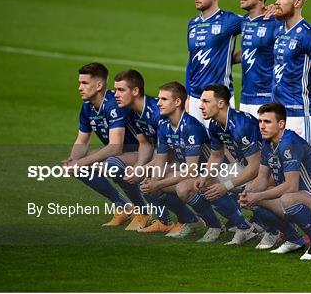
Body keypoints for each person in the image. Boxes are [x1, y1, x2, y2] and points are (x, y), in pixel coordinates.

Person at [240, 102, 311, 260]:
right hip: (301, 199)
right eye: (260, 121)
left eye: (267, 122)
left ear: (281, 124)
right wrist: (247, 193)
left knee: (286, 198)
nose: (262, 126)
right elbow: (262, 179)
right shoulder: (268, 143)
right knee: (252, 195)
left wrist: (258, 196)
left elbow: (291, 186)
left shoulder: (290, 143)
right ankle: (293, 239)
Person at [111, 70, 201, 235]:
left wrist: (144, 170)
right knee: (118, 166)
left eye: (120, 90)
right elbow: (144, 144)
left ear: (136, 91)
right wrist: (139, 167)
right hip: (161, 154)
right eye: (115, 90)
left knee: (149, 178)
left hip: (179, 157)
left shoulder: (157, 113)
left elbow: (169, 153)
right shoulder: (131, 111)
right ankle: (151, 215)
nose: (115, 94)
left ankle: (185, 218)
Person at [138, 82, 224, 242]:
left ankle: (215, 226)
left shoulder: (191, 126)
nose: (158, 103)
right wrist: (154, 182)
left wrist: (158, 184)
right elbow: (161, 162)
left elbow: (192, 171)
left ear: (177, 102)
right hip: (193, 174)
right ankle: (191, 221)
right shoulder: (164, 126)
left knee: (182, 188)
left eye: (163, 99)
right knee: (150, 184)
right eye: (158, 99)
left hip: (213, 174)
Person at [62, 62, 144, 228]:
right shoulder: (87, 107)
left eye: (84, 83)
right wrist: (72, 162)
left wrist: (82, 162)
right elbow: (82, 141)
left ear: (99, 85)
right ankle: (124, 206)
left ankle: (142, 212)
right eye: (79, 83)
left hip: (143, 151)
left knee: (112, 164)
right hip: (124, 151)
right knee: (80, 163)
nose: (79, 87)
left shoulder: (114, 104)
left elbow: (115, 147)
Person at [195, 84, 267, 246]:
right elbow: (216, 156)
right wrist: (205, 176)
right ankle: (244, 228)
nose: (201, 106)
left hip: (268, 171)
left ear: (220, 104)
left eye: (206, 101)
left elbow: (256, 166)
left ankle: (275, 229)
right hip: (247, 166)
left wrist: (226, 186)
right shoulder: (214, 124)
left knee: (250, 192)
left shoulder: (241, 125)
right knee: (206, 185)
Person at [270, 0, 311, 145]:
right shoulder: (279, 30)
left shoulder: (308, 34)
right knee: (278, 164)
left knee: (302, 164)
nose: (277, 2)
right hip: (276, 111)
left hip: (297, 113)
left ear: (297, 2)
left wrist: (307, 97)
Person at [186, 0, 241, 126]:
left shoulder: (230, 20)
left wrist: (244, 55)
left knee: (224, 146)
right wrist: (187, 96)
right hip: (195, 97)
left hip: (219, 98)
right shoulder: (193, 24)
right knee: (195, 147)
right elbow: (191, 62)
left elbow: (256, 28)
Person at [233, 0, 278, 118]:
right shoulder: (245, 20)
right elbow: (250, 50)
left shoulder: (276, 22)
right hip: (245, 98)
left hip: (267, 99)